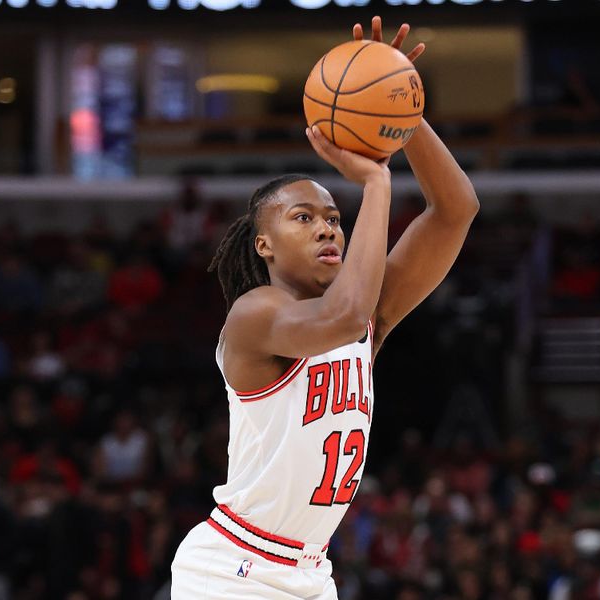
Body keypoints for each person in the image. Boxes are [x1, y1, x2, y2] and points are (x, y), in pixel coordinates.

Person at [170, 16, 479, 600]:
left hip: (310, 572)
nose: (327, 228)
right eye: (303, 218)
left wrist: (397, 109)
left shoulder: (366, 314)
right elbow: (341, 317)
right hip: (233, 568)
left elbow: (455, 210)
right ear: (263, 245)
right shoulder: (256, 315)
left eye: (334, 217)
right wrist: (377, 185)